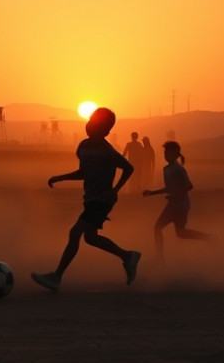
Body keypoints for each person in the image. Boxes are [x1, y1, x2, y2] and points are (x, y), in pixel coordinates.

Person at [31, 107, 142, 291]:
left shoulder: (107, 151)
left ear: (106, 131)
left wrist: (115, 190)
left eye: (96, 123)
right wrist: (61, 177)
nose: (90, 124)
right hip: (90, 199)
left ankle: (56, 277)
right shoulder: (83, 146)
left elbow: (129, 168)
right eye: (90, 120)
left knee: (75, 233)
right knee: (90, 238)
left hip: (102, 200)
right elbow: (84, 172)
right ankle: (128, 256)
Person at [143, 141, 210, 261]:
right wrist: (151, 193)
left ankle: (208, 238)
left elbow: (189, 186)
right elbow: (169, 188)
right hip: (173, 205)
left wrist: (175, 194)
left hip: (181, 206)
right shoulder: (167, 169)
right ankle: (160, 257)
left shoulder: (178, 169)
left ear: (175, 153)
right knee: (170, 231)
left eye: (168, 152)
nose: (165, 154)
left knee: (179, 233)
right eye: (164, 152)